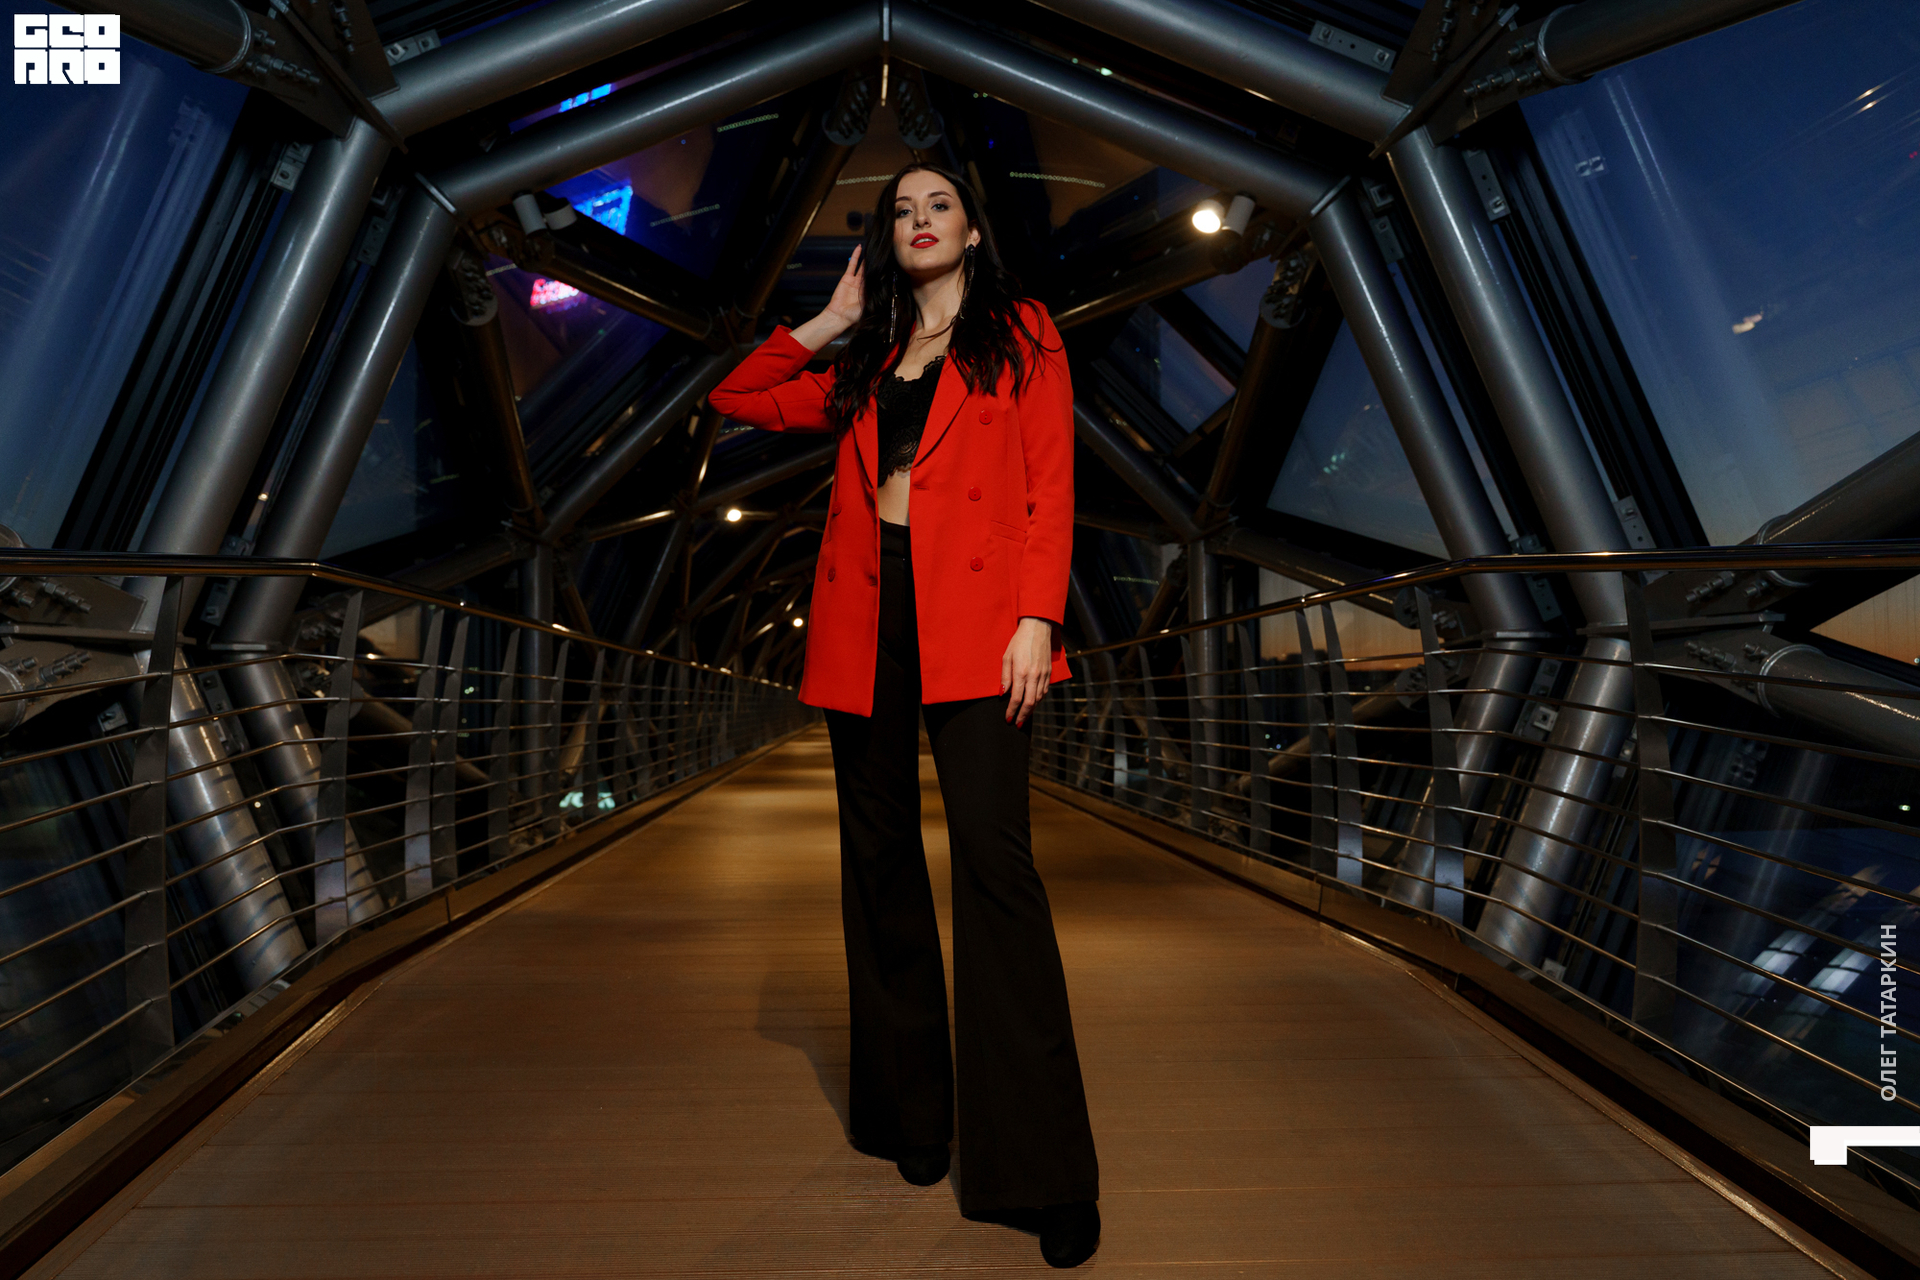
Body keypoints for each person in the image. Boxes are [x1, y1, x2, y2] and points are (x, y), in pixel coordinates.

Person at [709, 164, 1100, 1269]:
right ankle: (910, 1116)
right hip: (865, 612)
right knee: (877, 864)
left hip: (978, 619)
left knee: (995, 866)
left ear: (972, 230)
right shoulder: (869, 357)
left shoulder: (1022, 332)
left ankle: (1044, 1171)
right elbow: (737, 395)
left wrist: (1037, 616)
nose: (919, 220)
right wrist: (830, 321)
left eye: (939, 205)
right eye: (901, 210)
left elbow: (1049, 480)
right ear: (887, 239)